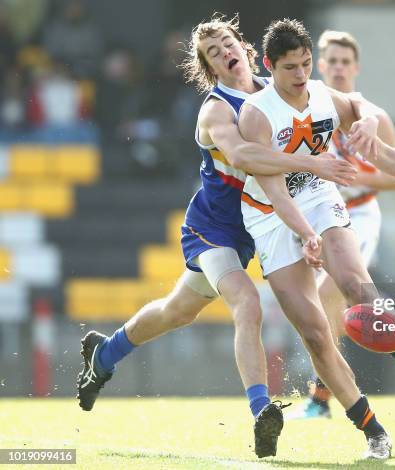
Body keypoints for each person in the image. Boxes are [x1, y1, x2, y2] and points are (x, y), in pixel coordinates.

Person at [76, 14, 357, 459]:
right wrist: (316, 165)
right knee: (247, 302)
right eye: (213, 53)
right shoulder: (215, 110)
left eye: (227, 42)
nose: (224, 52)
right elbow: (245, 153)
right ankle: (263, 411)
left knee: (177, 311)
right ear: (210, 68)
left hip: (258, 225)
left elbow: (340, 105)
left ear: (244, 47)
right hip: (215, 227)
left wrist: (365, 126)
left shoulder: (279, 86)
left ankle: (104, 356)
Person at [237, 19, 395, 459]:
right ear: (268, 65)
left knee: (355, 284)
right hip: (270, 218)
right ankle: (373, 431)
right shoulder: (257, 113)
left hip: (318, 197)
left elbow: (383, 148)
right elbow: (272, 188)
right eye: (290, 67)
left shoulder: (323, 96)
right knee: (315, 334)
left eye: (306, 64)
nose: (300, 75)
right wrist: (306, 234)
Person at [294, 30, 395, 420]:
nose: (339, 67)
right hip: (317, 218)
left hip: (358, 215)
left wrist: (359, 177)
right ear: (321, 65)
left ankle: (329, 396)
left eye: (346, 61)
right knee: (328, 305)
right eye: (332, 60)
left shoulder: (373, 116)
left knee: (334, 292)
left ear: (356, 67)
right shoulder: (308, 109)